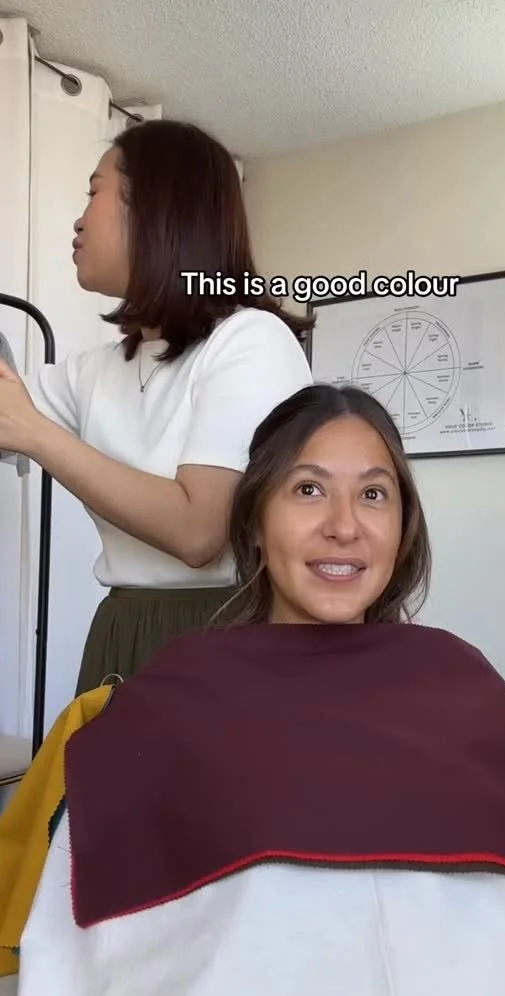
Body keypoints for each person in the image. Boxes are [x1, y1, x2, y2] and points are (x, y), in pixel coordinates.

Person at [7, 384, 505, 996]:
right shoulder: (174, 694)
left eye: (373, 495)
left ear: (403, 527)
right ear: (255, 519)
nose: (344, 526)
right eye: (308, 490)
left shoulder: (462, 679)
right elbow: (110, 941)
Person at [0, 118, 313, 694]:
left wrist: (36, 435)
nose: (79, 219)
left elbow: (199, 532)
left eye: (93, 192)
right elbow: (8, 405)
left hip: (220, 636)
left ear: (152, 210)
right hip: (120, 630)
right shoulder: (96, 371)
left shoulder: (250, 340)